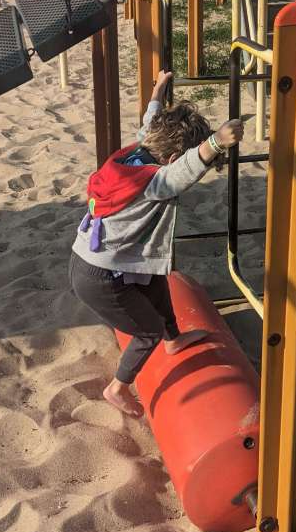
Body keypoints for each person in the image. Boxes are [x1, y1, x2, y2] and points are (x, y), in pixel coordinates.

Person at [69, 70, 244, 417]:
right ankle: (117, 387)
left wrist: (157, 91)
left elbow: (149, 124)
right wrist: (216, 143)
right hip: (100, 278)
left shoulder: (136, 155)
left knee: (156, 282)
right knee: (147, 332)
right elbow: (182, 172)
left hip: (94, 260)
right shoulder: (153, 182)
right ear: (172, 159)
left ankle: (174, 338)